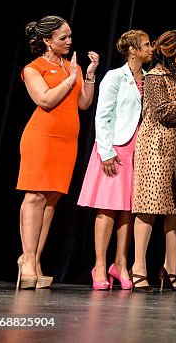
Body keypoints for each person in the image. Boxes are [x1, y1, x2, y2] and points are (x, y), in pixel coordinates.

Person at [17, 15, 100, 289]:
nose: (69, 41)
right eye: (63, 37)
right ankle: (27, 260)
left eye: (69, 36)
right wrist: (70, 79)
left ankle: (35, 260)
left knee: (51, 199)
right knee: (35, 195)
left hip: (67, 141)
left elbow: (84, 104)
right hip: (41, 137)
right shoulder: (34, 68)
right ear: (46, 40)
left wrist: (88, 76)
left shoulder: (70, 66)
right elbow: (44, 99)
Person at [76, 29, 153, 291]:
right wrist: (106, 151)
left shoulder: (148, 78)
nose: (150, 48)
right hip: (116, 148)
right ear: (132, 50)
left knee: (128, 210)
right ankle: (99, 265)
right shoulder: (114, 77)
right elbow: (103, 115)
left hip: (139, 151)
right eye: (146, 45)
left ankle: (120, 264)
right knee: (107, 208)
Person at [131, 30, 176, 292]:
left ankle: (170, 268)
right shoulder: (156, 77)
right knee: (149, 206)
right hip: (156, 147)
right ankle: (138, 267)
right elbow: (162, 111)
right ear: (171, 52)